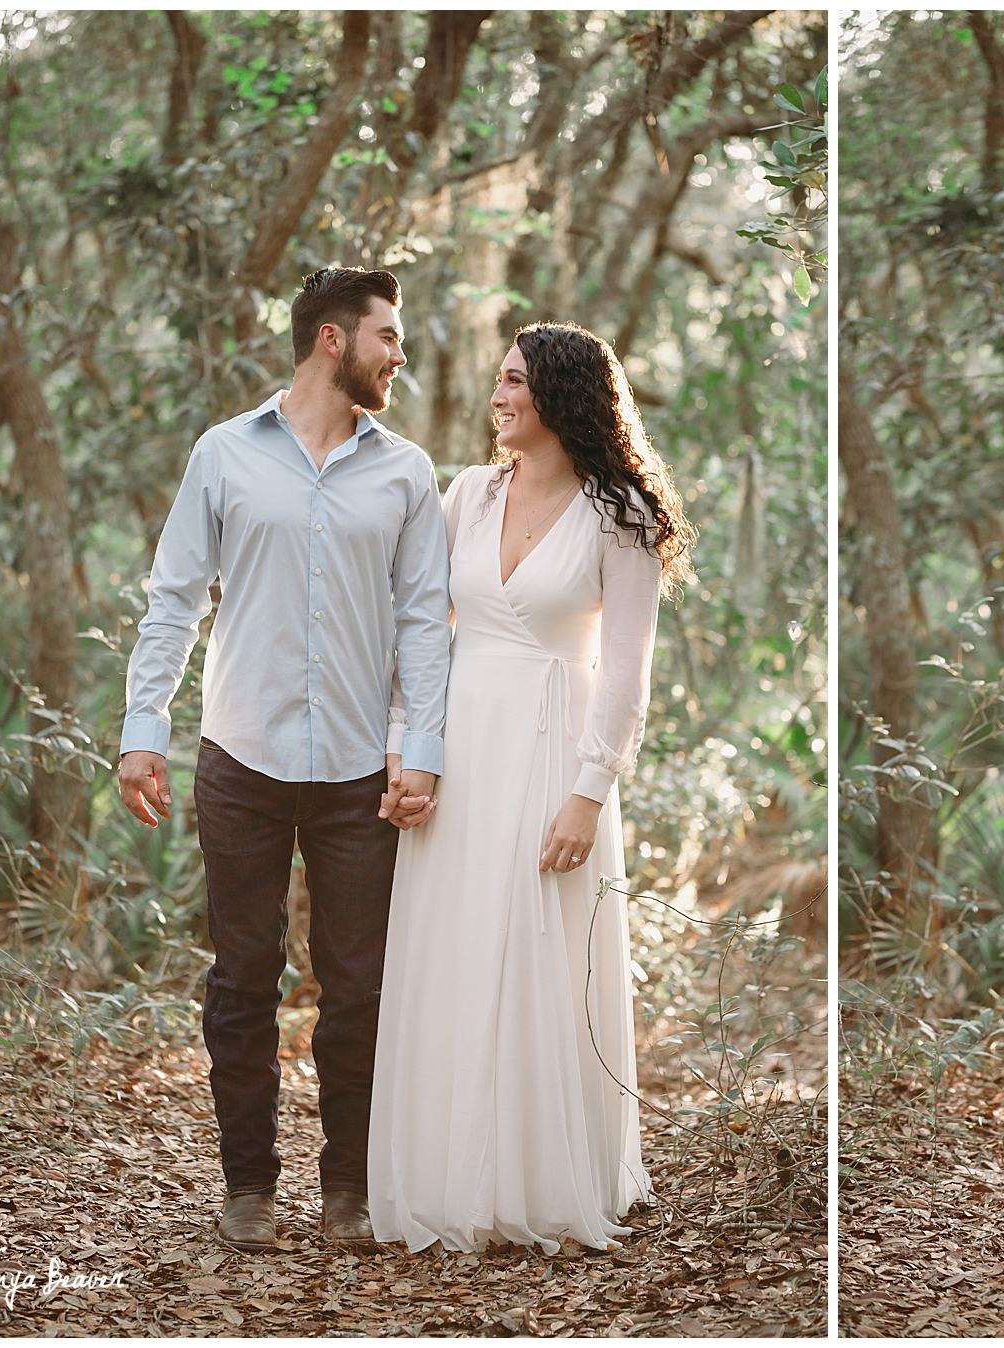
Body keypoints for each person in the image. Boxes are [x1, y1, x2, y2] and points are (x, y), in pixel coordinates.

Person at [117, 266, 451, 1252]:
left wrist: (421, 751)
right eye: (388, 335)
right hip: (243, 757)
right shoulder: (224, 454)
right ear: (332, 341)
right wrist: (144, 729)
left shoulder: (406, 472)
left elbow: (425, 619)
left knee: (358, 982)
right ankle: (248, 1187)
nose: (401, 353)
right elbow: (175, 597)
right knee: (243, 974)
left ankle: (346, 1189)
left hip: (358, 771)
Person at [367, 321, 696, 1254]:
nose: (498, 395)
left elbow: (628, 673)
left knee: (540, 955)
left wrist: (589, 792)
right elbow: (419, 632)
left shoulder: (620, 512)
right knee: (453, 948)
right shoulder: (466, 494)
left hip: (557, 747)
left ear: (560, 395)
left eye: (515, 381)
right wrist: (404, 750)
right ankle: (444, 1175)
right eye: (499, 379)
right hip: (459, 746)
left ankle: (541, 1180)